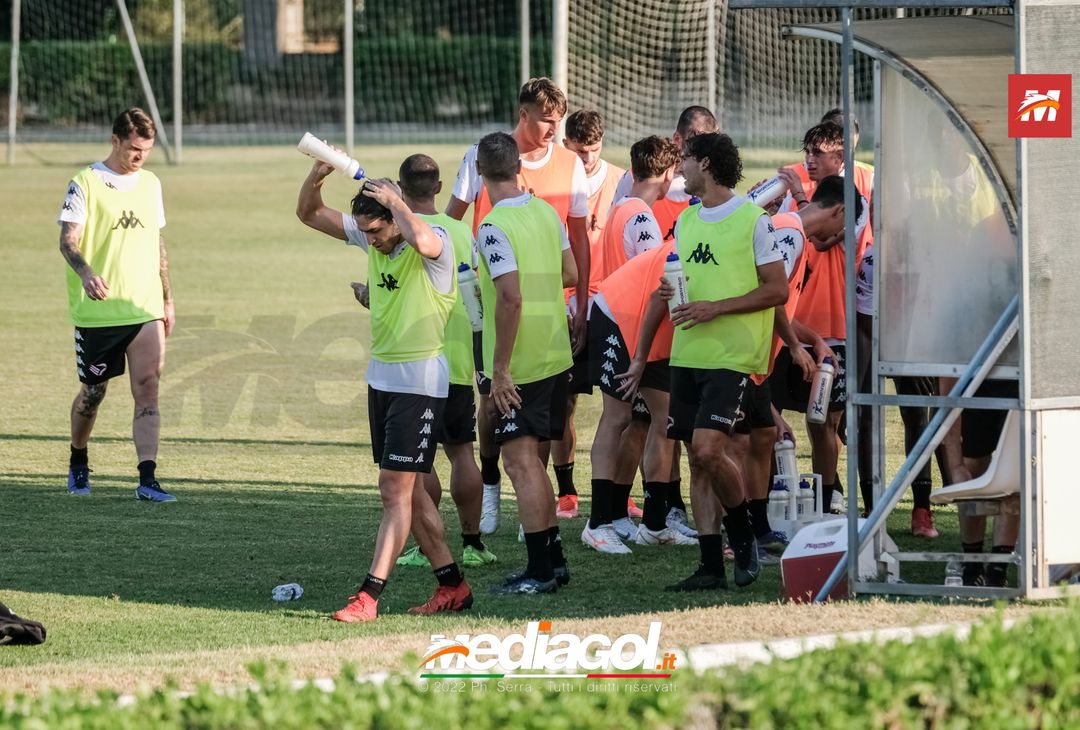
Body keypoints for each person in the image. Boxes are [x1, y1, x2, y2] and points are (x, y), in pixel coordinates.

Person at [297, 160, 472, 622]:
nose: (369, 240)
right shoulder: (375, 235)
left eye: (376, 230)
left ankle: (368, 597)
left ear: (395, 216)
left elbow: (425, 241)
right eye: (365, 232)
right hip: (382, 381)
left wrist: (397, 202)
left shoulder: (433, 244)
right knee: (410, 496)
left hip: (420, 383)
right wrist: (315, 179)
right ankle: (453, 586)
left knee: (392, 489)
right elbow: (310, 214)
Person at [641, 132, 787, 590]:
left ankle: (742, 535)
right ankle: (710, 566)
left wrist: (716, 307)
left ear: (705, 163)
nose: (678, 167)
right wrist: (673, 292)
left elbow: (777, 290)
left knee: (708, 450)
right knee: (696, 458)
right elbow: (685, 276)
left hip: (734, 357)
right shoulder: (686, 221)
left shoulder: (754, 220)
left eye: (684, 159)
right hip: (688, 353)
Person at [446, 78, 591, 534]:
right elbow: (449, 225)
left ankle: (539, 536)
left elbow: (580, 242)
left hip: (539, 317)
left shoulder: (569, 165)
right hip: (491, 310)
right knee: (490, 408)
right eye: (546, 119)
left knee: (536, 433)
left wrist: (581, 305)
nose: (553, 128)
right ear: (523, 114)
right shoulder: (483, 154)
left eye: (558, 120)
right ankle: (491, 492)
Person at [473, 132, 577, 594]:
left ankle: (539, 573)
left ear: (480, 172)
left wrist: (499, 371)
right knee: (533, 463)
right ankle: (553, 561)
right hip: (554, 354)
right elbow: (571, 273)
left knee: (521, 464)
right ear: (519, 167)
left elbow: (510, 298)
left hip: (524, 364)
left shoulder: (493, 228)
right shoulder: (545, 211)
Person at [382, 154, 497, 570]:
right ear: (438, 186)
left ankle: (425, 543)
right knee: (462, 451)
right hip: (460, 351)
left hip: (418, 358)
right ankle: (473, 541)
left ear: (400, 186)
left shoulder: (402, 230)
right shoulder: (464, 232)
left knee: (420, 459)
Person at [735, 177, 857, 563]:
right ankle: (744, 535)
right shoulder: (790, 233)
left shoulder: (790, 233)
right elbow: (769, 299)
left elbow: (780, 308)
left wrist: (814, 340)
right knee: (744, 442)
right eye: (845, 223)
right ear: (838, 211)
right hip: (748, 351)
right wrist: (793, 345)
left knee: (765, 435)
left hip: (761, 352)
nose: (842, 233)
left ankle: (763, 530)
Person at [58, 107, 177, 502]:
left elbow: (157, 244)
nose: (140, 157)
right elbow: (68, 241)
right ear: (115, 141)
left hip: (143, 308)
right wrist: (87, 273)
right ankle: (78, 460)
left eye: (147, 150)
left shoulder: (151, 183)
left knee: (149, 390)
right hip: (99, 310)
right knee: (93, 394)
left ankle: (147, 478)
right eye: (134, 149)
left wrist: (167, 298)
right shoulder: (85, 183)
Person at [580, 136, 686, 553]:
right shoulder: (641, 216)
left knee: (661, 418)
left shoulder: (622, 206)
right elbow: (649, 282)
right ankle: (598, 521)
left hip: (636, 327)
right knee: (617, 418)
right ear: (666, 174)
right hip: (625, 324)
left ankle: (652, 520)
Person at [769, 121, 873, 515]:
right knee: (770, 423)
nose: (809, 160)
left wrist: (796, 197)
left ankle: (829, 495)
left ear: (840, 156)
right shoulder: (792, 203)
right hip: (789, 330)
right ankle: (773, 500)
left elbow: (820, 237)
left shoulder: (853, 201)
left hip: (833, 331)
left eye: (819, 153)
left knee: (823, 422)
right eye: (806, 152)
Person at [549, 108, 627, 519]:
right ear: (566, 146)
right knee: (564, 402)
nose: (586, 160)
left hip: (614, 306)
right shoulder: (557, 178)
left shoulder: (621, 181)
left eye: (593, 151)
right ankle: (566, 491)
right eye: (578, 152)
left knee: (627, 404)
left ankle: (621, 490)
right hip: (568, 304)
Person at [611, 106, 719, 241]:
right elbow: (614, 231)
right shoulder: (637, 178)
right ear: (677, 139)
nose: (702, 150)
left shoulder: (714, 181)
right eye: (696, 143)